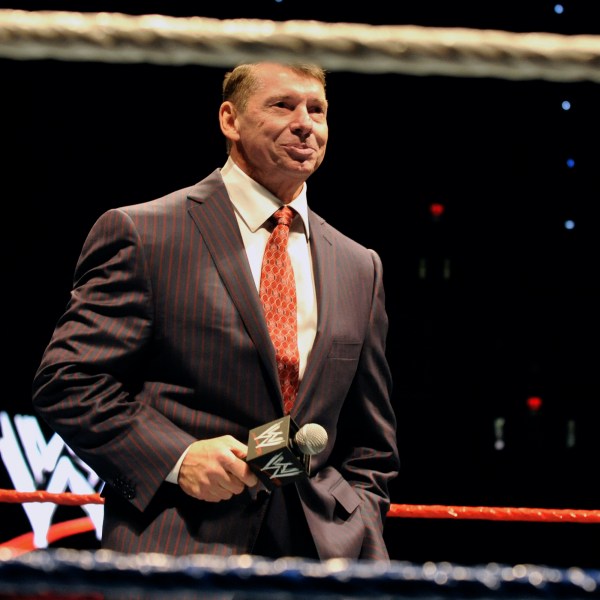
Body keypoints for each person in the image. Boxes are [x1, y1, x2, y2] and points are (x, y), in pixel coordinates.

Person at [31, 61, 400, 561]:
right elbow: (68, 382)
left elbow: (371, 441)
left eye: (317, 109)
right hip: (181, 545)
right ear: (230, 120)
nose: (305, 123)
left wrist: (360, 521)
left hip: (323, 557)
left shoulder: (360, 266)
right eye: (282, 105)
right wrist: (177, 458)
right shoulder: (145, 233)